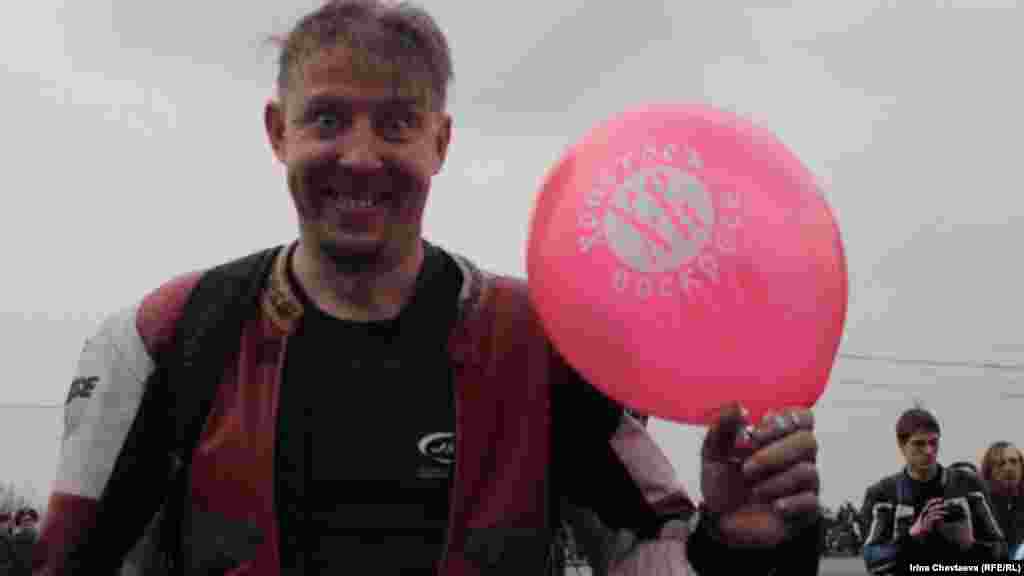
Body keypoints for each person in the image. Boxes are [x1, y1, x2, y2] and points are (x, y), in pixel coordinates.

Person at [32, 1, 823, 574]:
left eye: (396, 125)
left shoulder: (541, 344)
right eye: (328, 120)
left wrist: (735, 541)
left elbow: (648, 555)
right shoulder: (165, 338)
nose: (360, 158)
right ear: (278, 132)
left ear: (441, 141)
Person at [860, 408, 1005, 574]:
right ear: (901, 445)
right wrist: (911, 537)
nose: (928, 451)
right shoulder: (882, 494)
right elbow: (872, 561)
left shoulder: (969, 485)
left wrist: (970, 546)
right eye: (919, 444)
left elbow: (1002, 555)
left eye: (933, 442)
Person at [980, 441, 1024, 559]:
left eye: (1013, 461)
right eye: (1001, 464)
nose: (1008, 468)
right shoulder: (981, 505)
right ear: (990, 471)